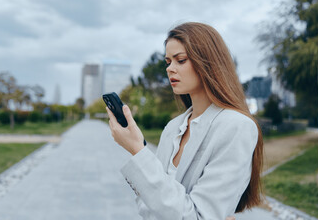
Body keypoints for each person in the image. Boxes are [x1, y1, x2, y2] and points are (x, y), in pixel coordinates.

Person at [106, 22, 264, 219]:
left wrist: (138, 150)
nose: (170, 69)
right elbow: (147, 207)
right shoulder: (173, 128)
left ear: (208, 62)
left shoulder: (236, 127)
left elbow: (198, 216)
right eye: (168, 62)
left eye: (180, 60)